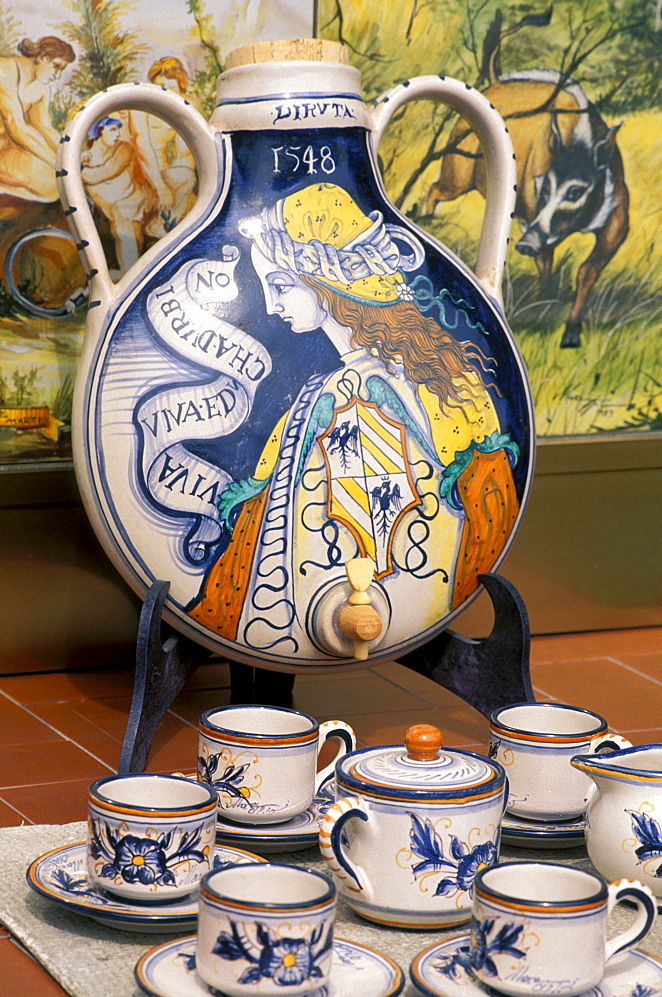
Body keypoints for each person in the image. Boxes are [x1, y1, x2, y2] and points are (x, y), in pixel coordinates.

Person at [190, 182, 520, 659]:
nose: (269, 305)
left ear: (328, 280)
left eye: (281, 285)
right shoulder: (452, 382)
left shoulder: (341, 397)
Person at [0, 36, 75, 205]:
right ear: (41, 57)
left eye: (61, 70)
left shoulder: (41, 88)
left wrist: (70, 154)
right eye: (56, 66)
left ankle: (4, 190)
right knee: (50, 182)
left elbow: (44, 128)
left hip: (7, 152)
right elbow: (15, 125)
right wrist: (56, 163)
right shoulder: (5, 71)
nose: (57, 76)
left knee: (54, 186)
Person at [81, 115, 158, 274]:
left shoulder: (124, 148)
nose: (117, 134)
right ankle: (127, 273)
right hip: (112, 209)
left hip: (134, 200)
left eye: (118, 130)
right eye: (112, 130)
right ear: (100, 132)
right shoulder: (88, 155)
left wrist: (82, 170)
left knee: (124, 220)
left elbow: (106, 171)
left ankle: (130, 276)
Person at [144, 57, 197, 234]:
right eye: (161, 89)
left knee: (188, 182)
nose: (168, 95)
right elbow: (145, 153)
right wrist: (160, 187)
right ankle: (162, 224)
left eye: (172, 88)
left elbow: (190, 155)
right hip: (153, 175)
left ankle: (166, 224)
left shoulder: (190, 105)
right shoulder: (147, 112)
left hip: (180, 176)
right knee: (187, 180)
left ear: (180, 82)